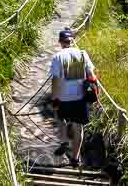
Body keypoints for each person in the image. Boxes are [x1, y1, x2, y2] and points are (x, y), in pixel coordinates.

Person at [50, 27, 98, 167]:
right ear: (72, 40)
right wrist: (96, 96)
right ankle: (75, 158)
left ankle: (64, 141)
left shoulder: (57, 57)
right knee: (78, 128)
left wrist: (54, 98)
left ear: (60, 42)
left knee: (60, 118)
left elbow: (55, 80)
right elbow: (92, 77)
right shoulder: (83, 54)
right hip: (80, 99)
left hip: (63, 99)